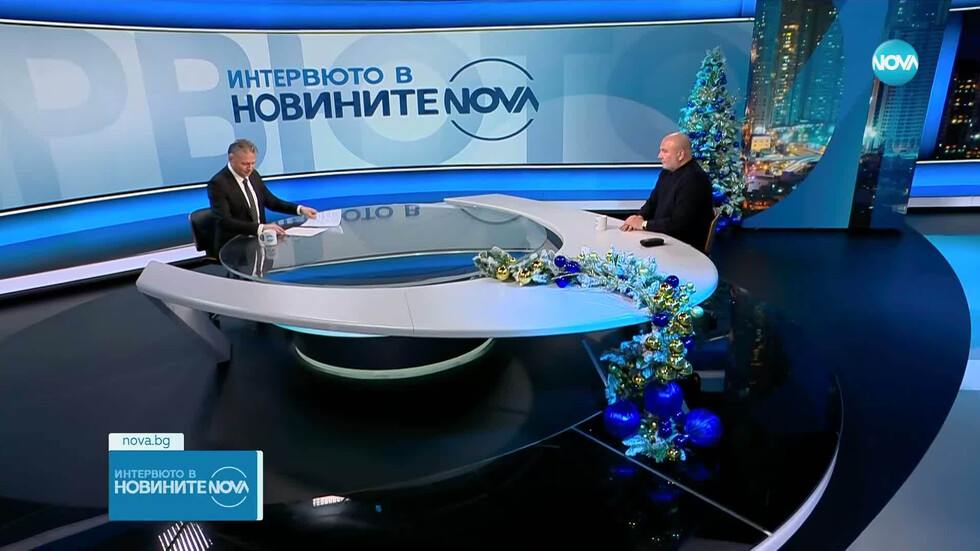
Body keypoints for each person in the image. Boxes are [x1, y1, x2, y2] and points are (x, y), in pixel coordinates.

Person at [207, 138, 317, 249]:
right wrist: (261, 228)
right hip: (233, 246)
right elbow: (225, 222)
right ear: (231, 159)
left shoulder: (253, 175)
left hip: (260, 241)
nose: (249, 168)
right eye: (245, 164)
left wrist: (300, 209)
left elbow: (272, 202)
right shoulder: (218, 184)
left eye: (253, 163)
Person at [620, 132, 715, 249]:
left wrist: (643, 224)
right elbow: (652, 202)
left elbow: (680, 224)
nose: (659, 156)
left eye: (664, 151)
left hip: (683, 246)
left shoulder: (694, 179)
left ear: (680, 155)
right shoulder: (666, 172)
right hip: (662, 236)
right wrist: (640, 217)